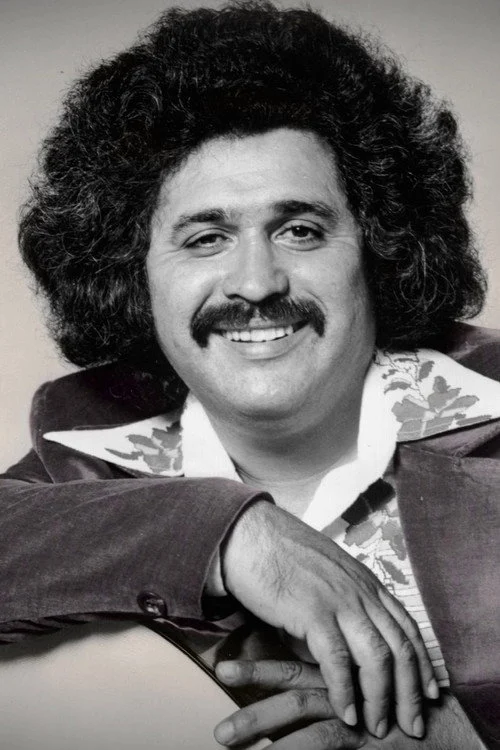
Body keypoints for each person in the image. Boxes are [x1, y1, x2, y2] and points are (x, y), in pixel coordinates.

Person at [1, 1, 498, 748]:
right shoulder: (85, 458)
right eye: (206, 238)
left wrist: (467, 739)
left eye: (300, 230)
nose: (257, 283)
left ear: (378, 246)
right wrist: (226, 532)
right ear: (137, 278)